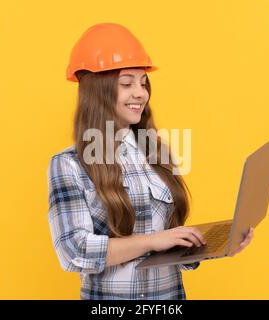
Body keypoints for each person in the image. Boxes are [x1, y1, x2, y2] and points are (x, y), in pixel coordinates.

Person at [47, 23, 254, 300]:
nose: (140, 94)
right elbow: (74, 251)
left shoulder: (156, 153)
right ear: (98, 90)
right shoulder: (69, 164)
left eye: (143, 83)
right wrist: (153, 241)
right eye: (127, 83)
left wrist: (214, 247)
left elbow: (168, 245)